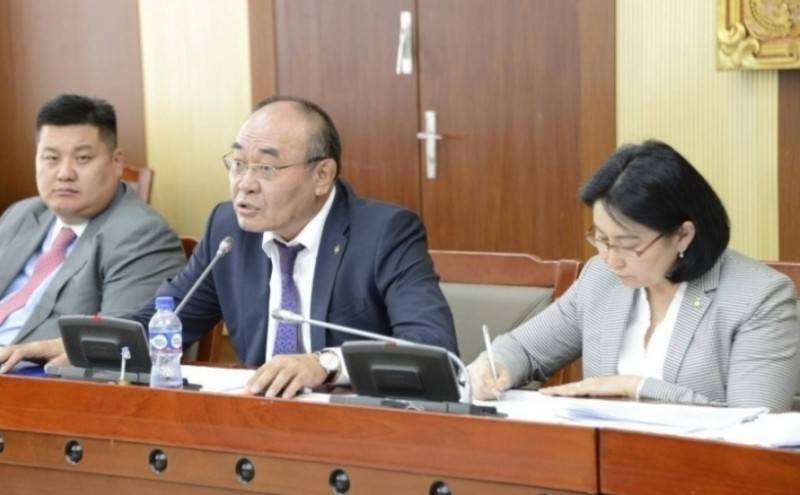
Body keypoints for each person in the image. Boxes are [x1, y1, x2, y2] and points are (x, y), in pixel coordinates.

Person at [1, 96, 457, 395]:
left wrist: (326, 364)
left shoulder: (385, 233)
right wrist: (80, 343)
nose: (244, 184)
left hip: (355, 428)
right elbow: (166, 319)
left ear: (322, 176)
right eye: (237, 164)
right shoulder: (229, 229)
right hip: (255, 421)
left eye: (266, 169)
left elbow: (433, 346)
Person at [470, 140, 800, 412]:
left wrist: (636, 387)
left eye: (628, 245)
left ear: (683, 235)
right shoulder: (600, 278)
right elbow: (524, 349)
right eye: (601, 238)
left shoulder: (759, 298)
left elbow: (756, 423)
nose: (611, 259)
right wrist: (495, 366)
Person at [0, 94, 185, 357]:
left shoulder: (142, 236)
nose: (64, 173)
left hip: (30, 374)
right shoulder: (21, 215)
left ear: (117, 162)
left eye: (83, 158)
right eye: (51, 158)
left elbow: (121, 346)